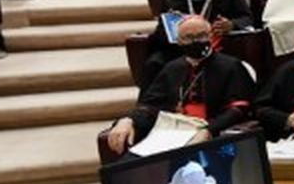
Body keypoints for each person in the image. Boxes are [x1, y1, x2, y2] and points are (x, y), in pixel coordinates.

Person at [104, 16, 255, 156]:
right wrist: (129, 120)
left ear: (211, 36)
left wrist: (209, 130)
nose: (196, 41)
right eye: (188, 38)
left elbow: (238, 109)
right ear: (179, 42)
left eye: (201, 36)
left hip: (209, 133)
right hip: (171, 133)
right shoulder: (172, 69)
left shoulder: (230, 66)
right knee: (131, 164)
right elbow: (150, 105)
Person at [142, 0, 253, 89]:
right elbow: (160, 34)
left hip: (219, 47)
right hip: (183, 49)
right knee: (154, 62)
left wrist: (232, 25)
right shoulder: (174, 0)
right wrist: (173, 27)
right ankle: (150, 104)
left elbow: (247, 19)